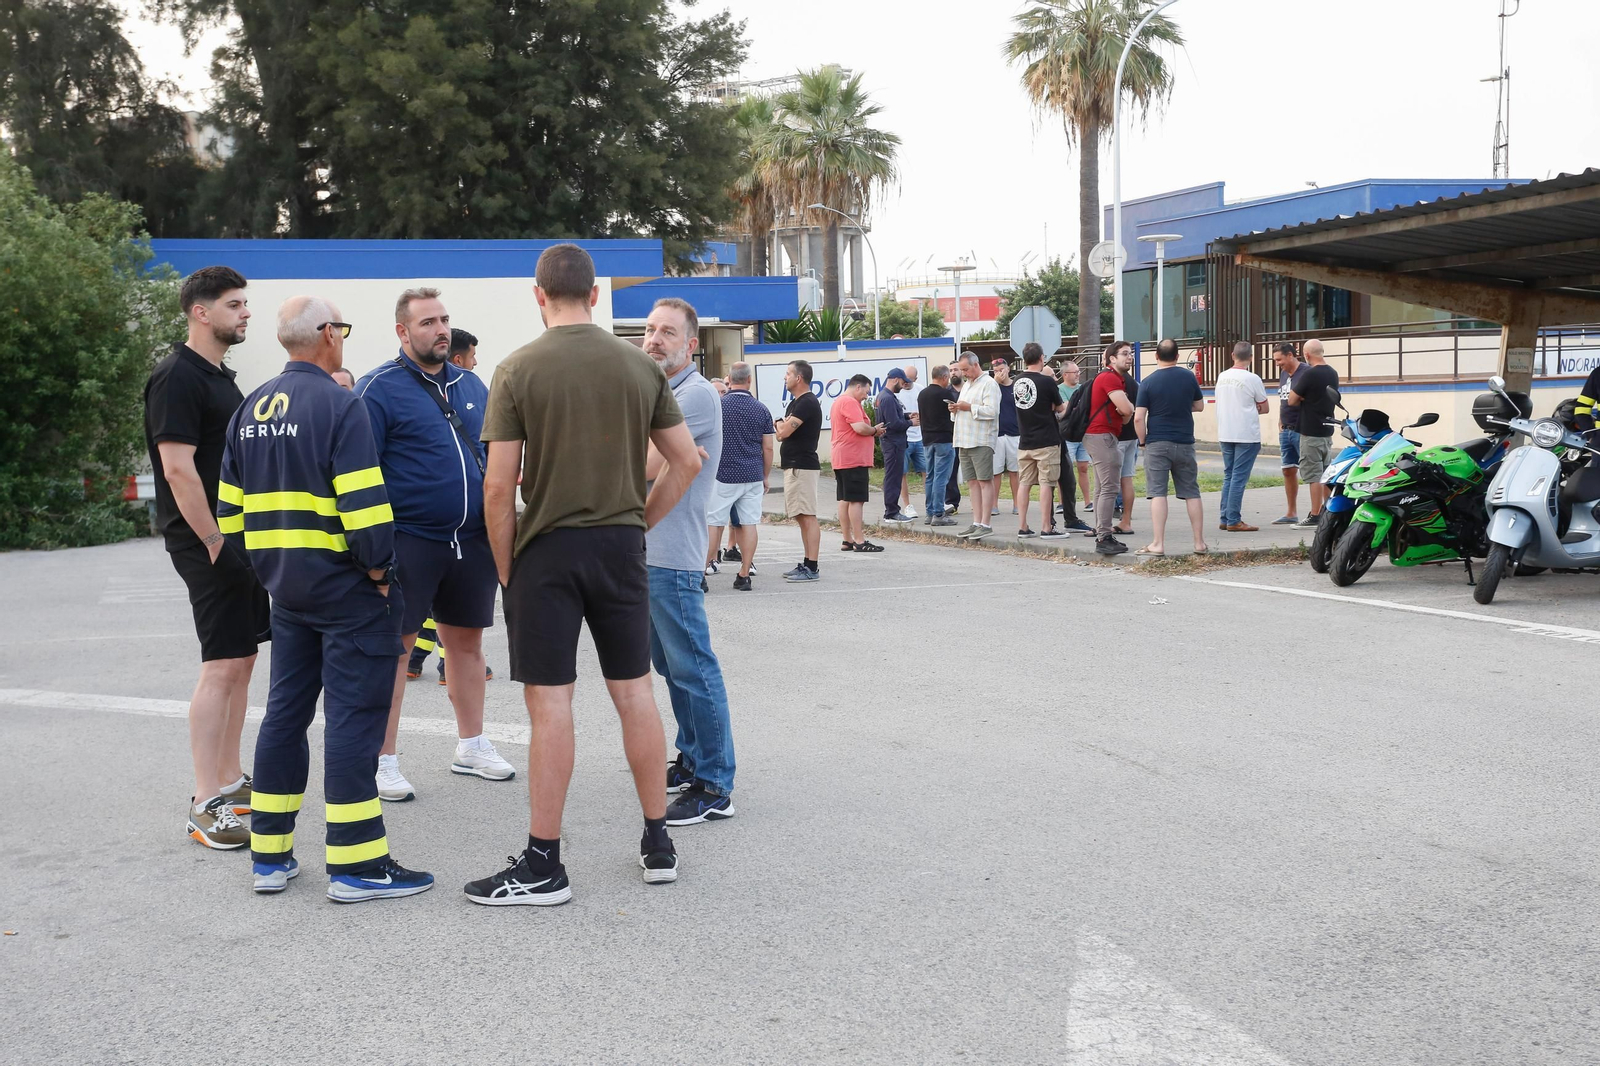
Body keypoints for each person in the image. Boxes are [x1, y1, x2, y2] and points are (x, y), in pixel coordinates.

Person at [470, 243, 702, 905]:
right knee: (635, 693)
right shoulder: (639, 366)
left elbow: (497, 487)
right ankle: (658, 840)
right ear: (596, 295)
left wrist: (507, 569)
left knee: (551, 706)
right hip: (620, 549)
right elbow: (687, 462)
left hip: (547, 552)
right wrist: (638, 524)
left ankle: (544, 864)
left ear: (538, 295)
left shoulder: (517, 368)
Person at [218, 295, 433, 902]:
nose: (343, 337)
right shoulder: (341, 405)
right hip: (349, 593)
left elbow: (230, 517)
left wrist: (273, 569)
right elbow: (365, 509)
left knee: (284, 717)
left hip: (286, 594)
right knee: (353, 721)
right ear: (326, 335)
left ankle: (270, 856)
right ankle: (358, 865)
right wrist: (381, 571)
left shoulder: (249, 408)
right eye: (341, 328)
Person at [355, 289, 512, 802]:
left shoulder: (472, 385)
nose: (440, 329)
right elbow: (360, 474)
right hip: (409, 540)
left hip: (471, 540)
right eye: (427, 322)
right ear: (402, 332)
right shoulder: (377, 389)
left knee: (466, 644)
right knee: (396, 651)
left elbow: (494, 455)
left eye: (444, 320)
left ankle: (472, 745)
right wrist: (372, 551)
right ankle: (382, 760)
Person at [143, 265, 269, 850]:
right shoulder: (177, 377)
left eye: (245, 304)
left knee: (242, 658)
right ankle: (203, 803)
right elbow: (177, 468)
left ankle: (231, 779)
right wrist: (215, 541)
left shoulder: (219, 376)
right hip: (207, 543)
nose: (245, 313)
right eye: (234, 305)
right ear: (201, 311)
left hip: (238, 540)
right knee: (221, 664)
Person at [640, 298, 737, 825]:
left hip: (672, 554)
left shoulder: (694, 395)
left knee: (694, 667)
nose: (655, 339)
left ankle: (715, 783)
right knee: (672, 666)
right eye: (651, 329)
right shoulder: (658, 392)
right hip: (650, 552)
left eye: (668, 332)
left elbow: (644, 464)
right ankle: (693, 756)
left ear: (691, 345)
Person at [1133, 339, 1207, 556]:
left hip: (1157, 442)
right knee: (1191, 492)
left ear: (1156, 356)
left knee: (1158, 493)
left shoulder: (1147, 382)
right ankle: (1199, 543)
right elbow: (1199, 406)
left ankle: (1158, 543)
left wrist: (1143, 441)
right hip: (1185, 441)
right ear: (1177, 356)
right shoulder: (1188, 377)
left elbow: (1138, 418)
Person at [706, 360, 772, 591]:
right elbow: (768, 447)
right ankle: (744, 573)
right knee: (749, 523)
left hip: (723, 474)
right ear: (749, 380)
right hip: (752, 474)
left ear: (730, 380)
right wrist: (765, 475)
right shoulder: (761, 409)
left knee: (714, 522)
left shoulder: (719, 406)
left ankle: (702, 571)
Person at [1084, 341, 1136, 554]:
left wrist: (1127, 410)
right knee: (1110, 488)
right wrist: (1128, 408)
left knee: (1101, 487)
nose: (1130, 357)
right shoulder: (1110, 378)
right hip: (1102, 436)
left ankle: (1102, 533)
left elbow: (1125, 416)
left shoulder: (1114, 378)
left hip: (1100, 436)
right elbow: (1127, 410)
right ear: (1111, 359)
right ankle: (1104, 537)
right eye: (1124, 354)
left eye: (1130, 353)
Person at [1012, 343, 1068, 538]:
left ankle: (1023, 526)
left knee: (1024, 483)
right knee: (1046, 483)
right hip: (1046, 440)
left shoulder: (1017, 381)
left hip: (1025, 440)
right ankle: (1046, 527)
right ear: (1042, 358)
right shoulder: (1046, 382)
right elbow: (1060, 408)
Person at [1215, 341, 1270, 532]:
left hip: (1225, 432)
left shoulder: (1222, 376)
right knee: (1239, 478)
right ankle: (1234, 520)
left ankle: (1225, 517)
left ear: (1233, 355)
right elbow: (1264, 407)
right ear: (1251, 358)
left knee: (1229, 476)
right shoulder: (1252, 378)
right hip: (1246, 434)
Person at [776, 360, 823, 581]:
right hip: (794, 466)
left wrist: (779, 423)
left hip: (802, 466)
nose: (784, 377)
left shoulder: (807, 402)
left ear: (799, 378)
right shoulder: (795, 404)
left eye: (788, 373)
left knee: (807, 516)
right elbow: (781, 433)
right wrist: (781, 425)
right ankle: (806, 562)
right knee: (801, 516)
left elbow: (783, 432)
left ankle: (812, 567)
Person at [830, 374, 886, 552]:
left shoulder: (839, 401)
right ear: (858, 387)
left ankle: (847, 539)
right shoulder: (849, 402)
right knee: (856, 500)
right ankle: (859, 541)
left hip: (843, 458)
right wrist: (874, 430)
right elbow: (860, 428)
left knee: (845, 499)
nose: (866, 396)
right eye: (866, 392)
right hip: (853, 458)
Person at [1288, 338, 1340, 528]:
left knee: (1314, 475)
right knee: (1326, 474)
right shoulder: (1333, 373)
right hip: (1326, 430)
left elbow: (1292, 400)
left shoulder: (1309, 374)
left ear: (1307, 354)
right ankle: (1330, 513)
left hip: (1310, 430)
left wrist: (1304, 397)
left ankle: (1315, 514)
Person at [951, 351, 1000, 540]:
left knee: (984, 481)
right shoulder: (967, 385)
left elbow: (992, 411)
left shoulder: (989, 384)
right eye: (961, 370)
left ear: (976, 364)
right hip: (964, 439)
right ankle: (977, 522)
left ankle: (986, 524)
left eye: (965, 369)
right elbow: (963, 409)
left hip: (981, 439)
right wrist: (955, 409)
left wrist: (968, 407)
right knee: (972, 482)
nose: (963, 373)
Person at [1054, 360, 1093, 533]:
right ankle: (1062, 503)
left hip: (1083, 433)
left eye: (1078, 371)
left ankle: (1087, 501)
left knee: (1083, 467)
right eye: (1074, 372)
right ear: (1065, 375)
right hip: (1068, 434)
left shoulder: (1082, 388)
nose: (1078, 374)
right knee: (1066, 471)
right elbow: (1064, 410)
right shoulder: (1060, 390)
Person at [918, 364, 958, 527]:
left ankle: (929, 513)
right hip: (944, 439)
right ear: (944, 377)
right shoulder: (945, 394)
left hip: (927, 439)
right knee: (941, 477)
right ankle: (939, 513)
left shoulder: (922, 394)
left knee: (930, 476)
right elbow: (953, 414)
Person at [876, 368, 917, 524]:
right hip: (893, 444)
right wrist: (911, 422)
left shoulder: (885, 396)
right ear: (895, 379)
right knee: (893, 478)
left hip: (892, 443)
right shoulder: (887, 398)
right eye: (902, 381)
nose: (904, 384)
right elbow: (893, 424)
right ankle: (891, 512)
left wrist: (907, 415)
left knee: (893, 477)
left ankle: (892, 511)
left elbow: (892, 417)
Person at [1273, 342, 1306, 524]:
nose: (1278, 363)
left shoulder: (1306, 372)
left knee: (1312, 472)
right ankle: (1291, 512)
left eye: (1279, 360)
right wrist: (1280, 420)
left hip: (1302, 429)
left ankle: (1321, 511)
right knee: (1288, 470)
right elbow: (1283, 399)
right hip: (1285, 429)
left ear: (1290, 355)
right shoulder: (1284, 373)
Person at [989, 358, 1022, 516]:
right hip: (997, 434)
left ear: (1008, 369)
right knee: (996, 472)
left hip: (1015, 434)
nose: (999, 373)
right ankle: (993, 505)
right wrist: (995, 382)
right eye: (996, 371)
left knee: (1015, 471)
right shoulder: (991, 386)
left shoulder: (1016, 386)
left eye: (1001, 369)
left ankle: (1017, 504)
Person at [898, 363, 926, 518]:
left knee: (927, 471)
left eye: (909, 379)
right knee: (903, 473)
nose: (905, 382)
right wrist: (909, 420)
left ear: (916, 379)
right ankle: (907, 505)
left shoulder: (921, 390)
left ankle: (931, 503)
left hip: (920, 437)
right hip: (904, 439)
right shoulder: (896, 393)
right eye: (904, 378)